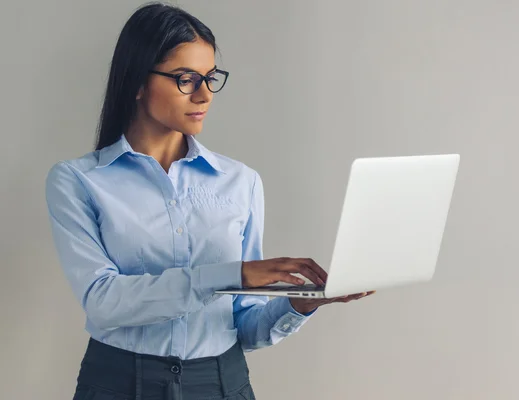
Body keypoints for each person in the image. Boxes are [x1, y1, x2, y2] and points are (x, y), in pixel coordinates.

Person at [45, 3, 373, 400]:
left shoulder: (241, 182)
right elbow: (104, 303)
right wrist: (229, 274)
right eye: (186, 79)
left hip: (221, 383)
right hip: (117, 384)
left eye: (210, 78)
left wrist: (301, 303)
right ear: (137, 81)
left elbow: (245, 326)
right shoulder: (78, 180)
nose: (204, 95)